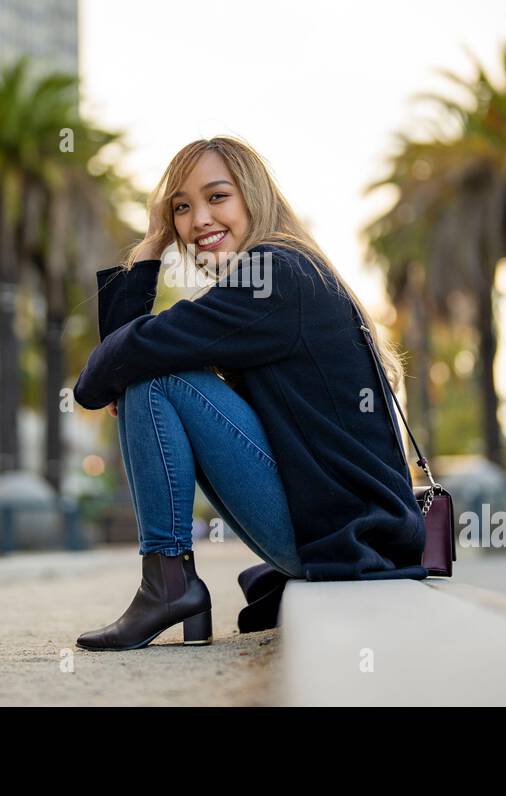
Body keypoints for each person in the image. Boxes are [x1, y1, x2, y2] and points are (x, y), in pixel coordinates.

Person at [72, 136, 427, 651]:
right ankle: (170, 585)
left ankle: (169, 585)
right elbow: (124, 353)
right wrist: (151, 244)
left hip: (343, 534)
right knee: (148, 367)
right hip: (342, 525)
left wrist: (109, 372)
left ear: (253, 197)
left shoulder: (273, 275)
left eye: (218, 197)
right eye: (181, 208)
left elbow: (124, 359)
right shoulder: (282, 270)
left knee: (157, 375)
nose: (198, 221)